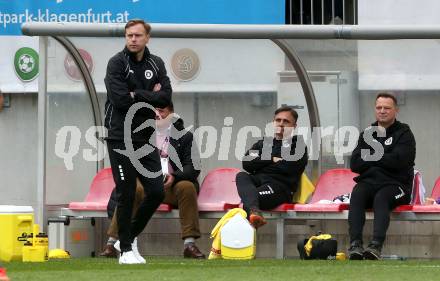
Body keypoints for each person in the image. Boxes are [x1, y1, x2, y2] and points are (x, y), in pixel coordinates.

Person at [104, 19, 172, 264]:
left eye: (137, 35)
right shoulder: (116, 63)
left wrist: (138, 95)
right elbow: (120, 100)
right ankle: (125, 251)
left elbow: (165, 98)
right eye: (129, 35)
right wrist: (149, 97)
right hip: (120, 136)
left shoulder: (156, 64)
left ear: (147, 38)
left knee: (155, 191)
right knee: (127, 192)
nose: (133, 39)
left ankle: (128, 238)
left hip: (144, 137)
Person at [100, 102, 205, 259]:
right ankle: (111, 243)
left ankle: (189, 244)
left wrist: (174, 176)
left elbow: (193, 167)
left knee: (187, 187)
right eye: (152, 111)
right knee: (133, 188)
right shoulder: (139, 135)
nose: (156, 114)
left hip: (172, 185)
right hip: (145, 183)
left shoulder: (185, 136)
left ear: (171, 114)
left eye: (161, 111)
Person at [348, 92, 416, 260]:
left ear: (396, 110)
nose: (382, 111)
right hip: (369, 183)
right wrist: (384, 156)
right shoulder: (367, 134)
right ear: (375, 109)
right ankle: (355, 245)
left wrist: (372, 156)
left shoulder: (404, 133)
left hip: (397, 186)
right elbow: (355, 164)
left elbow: (399, 161)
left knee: (381, 197)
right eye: (379, 107)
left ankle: (375, 246)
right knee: (357, 194)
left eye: (387, 108)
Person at [236, 106, 308, 228]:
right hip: (258, 183)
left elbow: (287, 168)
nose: (281, 124)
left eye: (286, 121)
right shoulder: (263, 143)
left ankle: (253, 214)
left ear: (294, 126)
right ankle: (254, 213)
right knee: (241, 175)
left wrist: (259, 164)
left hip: (279, 188)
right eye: (278, 120)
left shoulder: (298, 146)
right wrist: (272, 159)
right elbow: (247, 163)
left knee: (250, 198)